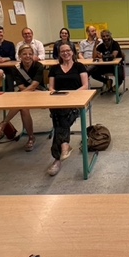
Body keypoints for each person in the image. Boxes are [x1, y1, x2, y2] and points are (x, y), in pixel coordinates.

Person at [46, 41, 89, 176]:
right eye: (62, 51)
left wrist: (71, 95)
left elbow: (85, 86)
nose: (65, 53)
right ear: (59, 54)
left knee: (59, 119)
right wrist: (57, 95)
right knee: (59, 113)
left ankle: (57, 159)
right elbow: (51, 87)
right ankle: (64, 145)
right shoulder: (54, 68)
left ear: (72, 52)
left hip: (76, 101)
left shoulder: (79, 66)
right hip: (58, 101)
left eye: (68, 50)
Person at [0, 45, 45, 152]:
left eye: (30, 54)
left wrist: (20, 95)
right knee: (23, 107)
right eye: (24, 54)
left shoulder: (39, 66)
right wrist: (23, 95)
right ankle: (31, 137)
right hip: (24, 93)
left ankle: (4, 123)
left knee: (20, 102)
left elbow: (34, 85)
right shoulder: (16, 68)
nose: (27, 56)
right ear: (20, 55)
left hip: (39, 92)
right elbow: (20, 86)